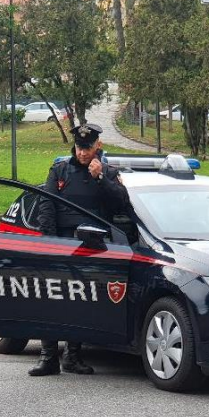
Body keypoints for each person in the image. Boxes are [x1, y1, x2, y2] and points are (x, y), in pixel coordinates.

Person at [29, 123, 129, 377]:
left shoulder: (108, 173)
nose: (83, 153)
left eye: (88, 148)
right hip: (61, 242)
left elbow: (121, 204)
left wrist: (101, 178)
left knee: (81, 300)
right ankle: (48, 357)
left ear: (98, 146)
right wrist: (50, 243)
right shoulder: (60, 170)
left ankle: (72, 356)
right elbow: (46, 206)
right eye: (79, 147)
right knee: (51, 300)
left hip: (90, 245)